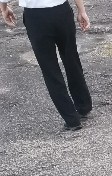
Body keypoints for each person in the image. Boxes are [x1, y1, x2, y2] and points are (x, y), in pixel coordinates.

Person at [1, 0, 92, 131]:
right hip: (62, 11)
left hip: (36, 17)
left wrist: (4, 8)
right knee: (72, 59)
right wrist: (82, 11)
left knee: (50, 69)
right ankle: (83, 107)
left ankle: (71, 119)